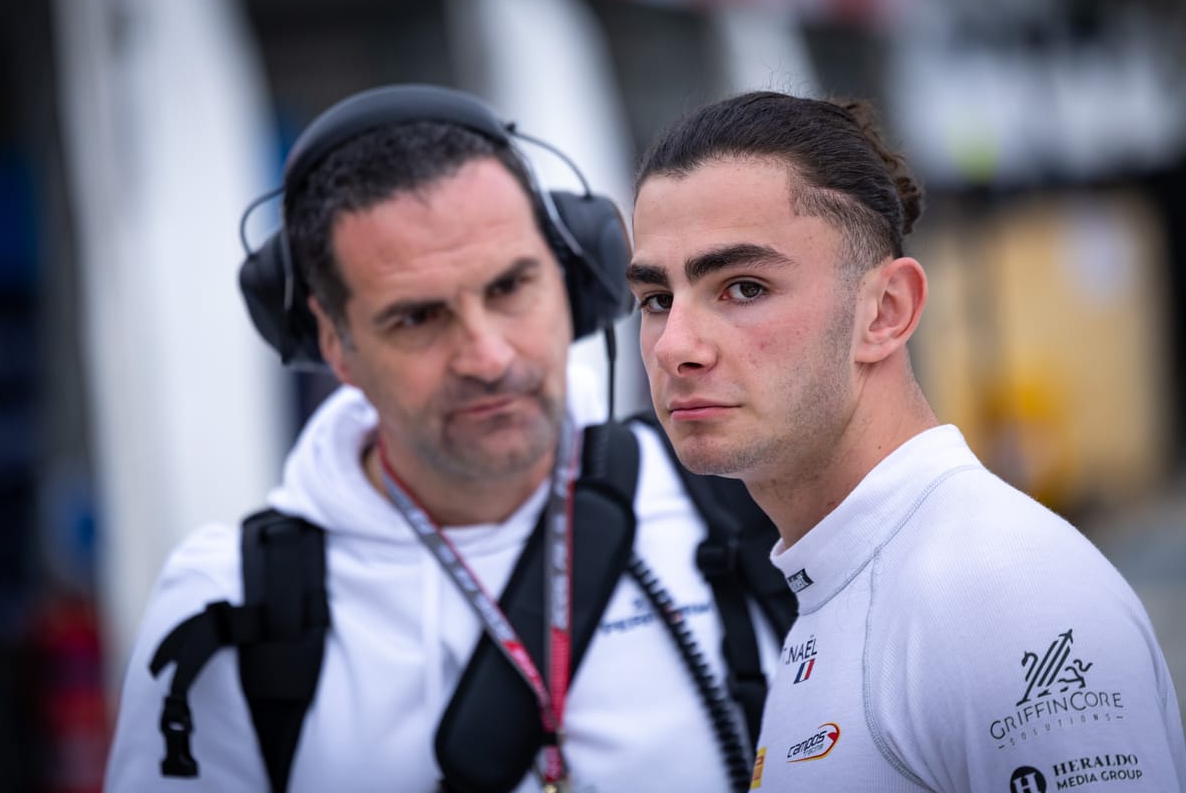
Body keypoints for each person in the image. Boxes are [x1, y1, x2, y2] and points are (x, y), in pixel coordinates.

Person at [103, 84, 787, 793]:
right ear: (335, 343)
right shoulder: (232, 601)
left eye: (509, 287)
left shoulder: (745, 496)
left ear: (574, 277)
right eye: (417, 318)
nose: (487, 357)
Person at [626, 89, 1186, 792]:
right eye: (656, 299)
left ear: (886, 311)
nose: (674, 346)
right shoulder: (850, 575)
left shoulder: (1003, 594)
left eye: (743, 288)